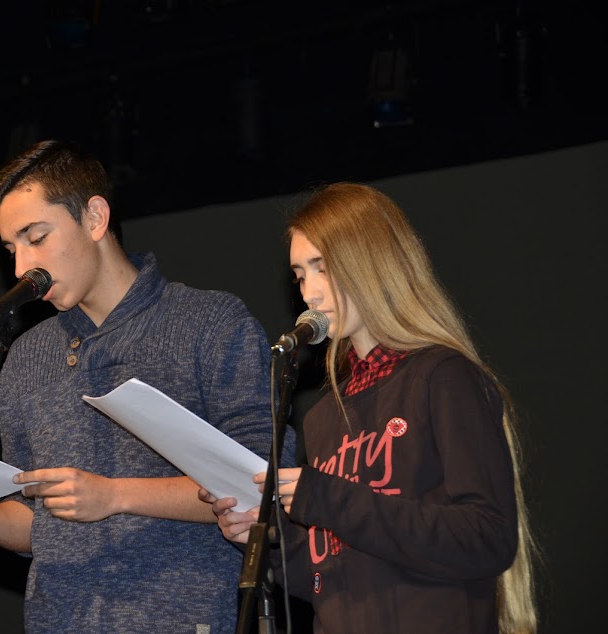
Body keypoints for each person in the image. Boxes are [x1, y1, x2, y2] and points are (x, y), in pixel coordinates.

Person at [0, 139, 294, 633]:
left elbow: (263, 483)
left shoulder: (208, 323)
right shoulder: (25, 358)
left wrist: (115, 495)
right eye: (11, 249)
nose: (21, 268)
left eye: (36, 237)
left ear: (94, 217)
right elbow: (39, 523)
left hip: (185, 617)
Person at [200, 182, 539, 633]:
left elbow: (486, 538)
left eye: (322, 268)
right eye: (300, 275)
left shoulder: (442, 376)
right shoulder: (322, 418)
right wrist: (266, 542)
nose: (309, 293)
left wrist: (328, 498)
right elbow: (331, 578)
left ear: (371, 262)